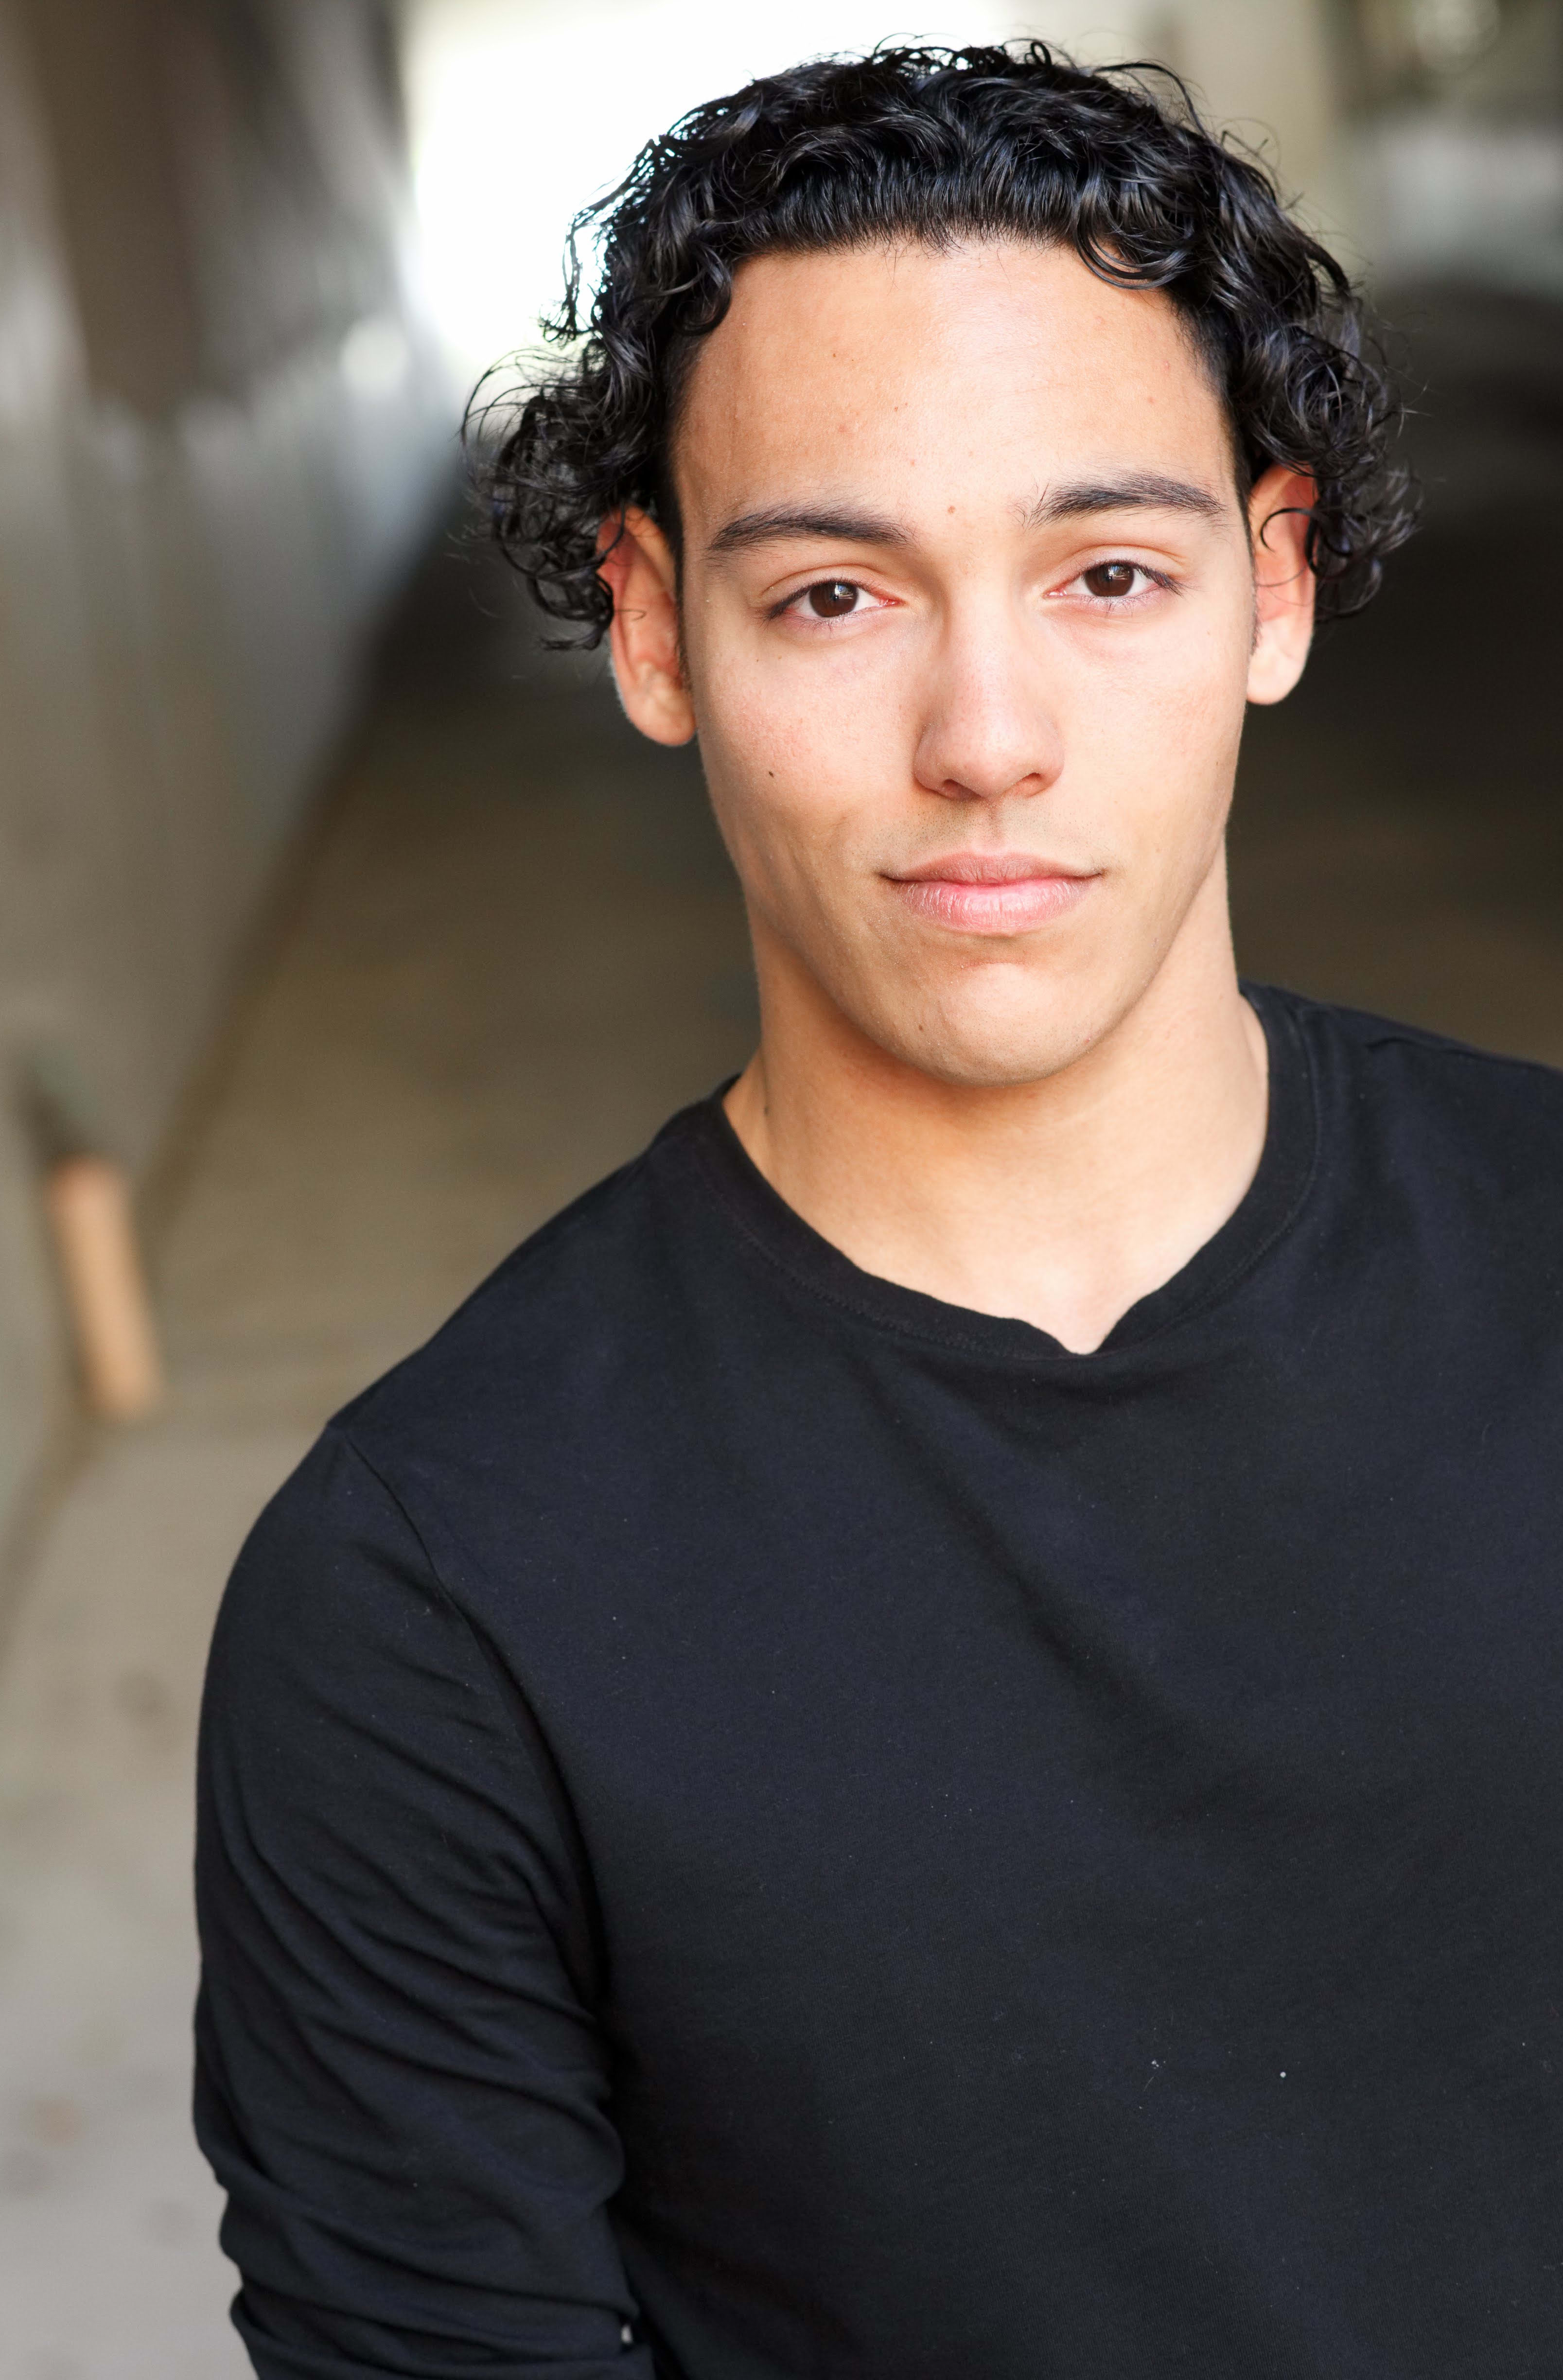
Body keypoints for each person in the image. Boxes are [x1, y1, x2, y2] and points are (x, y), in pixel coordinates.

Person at [193, 43, 1562, 2380]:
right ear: (656, 632)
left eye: (1107, 574)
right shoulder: (427, 1600)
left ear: (1275, 586)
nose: (987, 736)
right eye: (837, 594)